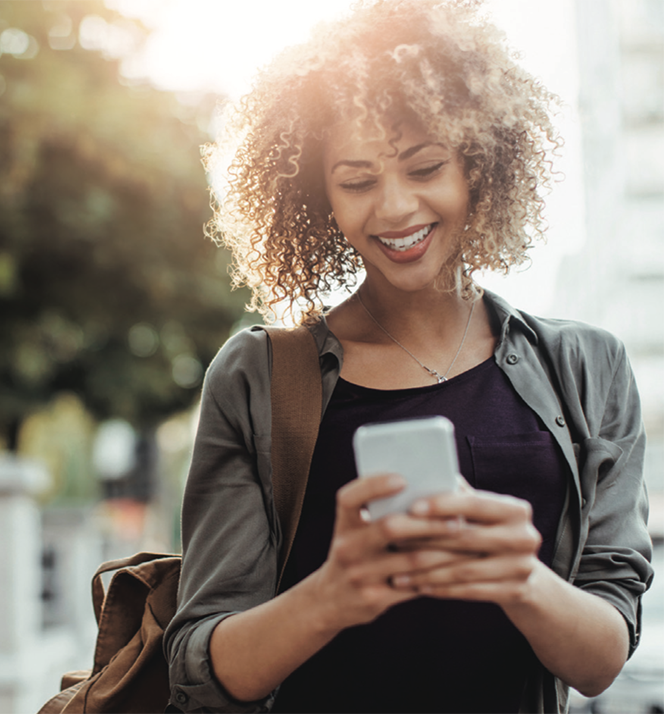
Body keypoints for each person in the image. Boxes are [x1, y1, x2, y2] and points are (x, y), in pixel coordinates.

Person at [164, 1, 653, 712]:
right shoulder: (259, 379)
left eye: (425, 167)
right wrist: (336, 593)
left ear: (479, 166)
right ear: (318, 198)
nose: (395, 209)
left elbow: (604, 659)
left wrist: (520, 577)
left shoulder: (587, 368)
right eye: (357, 182)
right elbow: (200, 667)